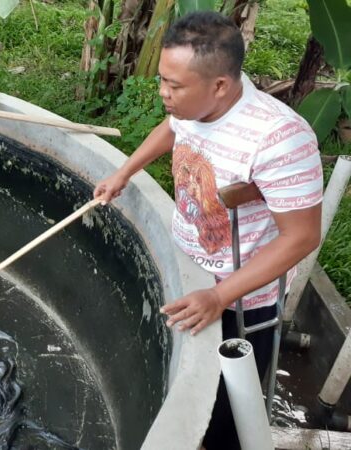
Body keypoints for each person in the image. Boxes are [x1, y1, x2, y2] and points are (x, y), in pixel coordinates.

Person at [93, 11, 323, 450]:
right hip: (189, 270)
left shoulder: (279, 138)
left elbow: (302, 236)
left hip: (242, 301)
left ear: (220, 85)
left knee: (225, 411)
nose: (163, 93)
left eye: (174, 86)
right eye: (163, 79)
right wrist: (125, 171)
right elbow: (172, 128)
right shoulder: (193, 105)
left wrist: (220, 296)